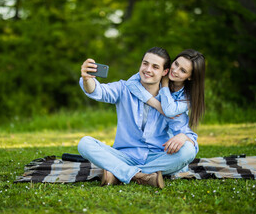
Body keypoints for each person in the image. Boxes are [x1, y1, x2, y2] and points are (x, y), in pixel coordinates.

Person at [77, 47, 198, 189]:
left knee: (188, 150)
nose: (148, 69)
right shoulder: (124, 88)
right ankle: (142, 176)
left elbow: (189, 138)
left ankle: (119, 172)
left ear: (165, 72)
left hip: (156, 157)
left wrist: (183, 137)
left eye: (155, 67)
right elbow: (98, 91)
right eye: (145, 63)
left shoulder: (170, 102)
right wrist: (87, 79)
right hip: (124, 155)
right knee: (84, 143)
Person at [125, 49, 205, 128]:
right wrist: (158, 106)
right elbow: (130, 83)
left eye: (183, 71)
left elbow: (169, 111)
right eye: (176, 64)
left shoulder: (189, 97)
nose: (175, 71)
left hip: (171, 135)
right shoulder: (158, 73)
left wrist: (164, 84)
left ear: (191, 77)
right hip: (150, 130)